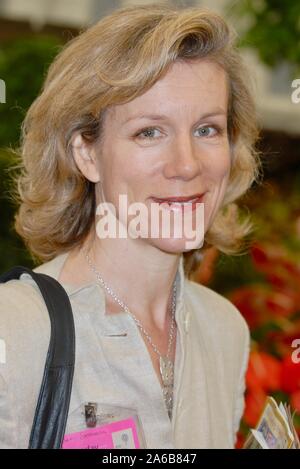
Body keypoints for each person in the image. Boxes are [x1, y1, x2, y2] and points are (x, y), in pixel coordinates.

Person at [0, 3, 260, 449]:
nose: (186, 165)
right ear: (87, 153)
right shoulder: (15, 329)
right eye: (149, 132)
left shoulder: (225, 331)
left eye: (207, 130)